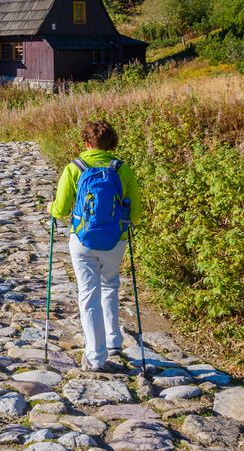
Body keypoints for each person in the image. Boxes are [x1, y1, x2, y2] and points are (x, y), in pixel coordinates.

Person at [49, 120, 142, 372]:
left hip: (82, 240)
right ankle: (114, 341)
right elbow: (135, 213)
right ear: (112, 143)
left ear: (87, 143)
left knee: (88, 293)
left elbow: (60, 209)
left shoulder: (75, 168)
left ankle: (96, 356)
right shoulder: (123, 169)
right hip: (115, 240)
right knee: (110, 285)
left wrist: (50, 208)